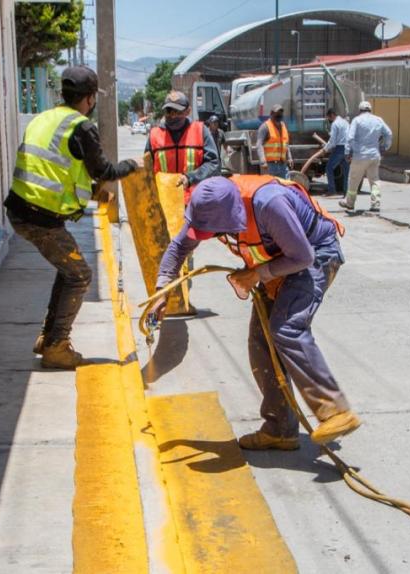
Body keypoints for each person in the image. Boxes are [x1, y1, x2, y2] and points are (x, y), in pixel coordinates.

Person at [152, 176, 361, 450]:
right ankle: (280, 429)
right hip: (280, 259)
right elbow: (180, 246)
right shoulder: (207, 206)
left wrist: (257, 274)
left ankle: (335, 410)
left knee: (287, 328)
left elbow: (303, 257)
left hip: (315, 254)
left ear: (229, 219)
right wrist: (162, 289)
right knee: (261, 342)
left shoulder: (269, 204)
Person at [4, 66, 138, 369]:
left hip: (22, 209)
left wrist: (92, 193)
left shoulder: (45, 118)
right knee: (80, 275)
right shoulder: (80, 126)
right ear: (90, 99)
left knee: (69, 271)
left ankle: (48, 337)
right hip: (40, 217)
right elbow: (105, 171)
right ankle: (56, 347)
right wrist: (133, 166)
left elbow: (54, 172)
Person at [145, 91, 220, 201]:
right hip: (165, 202)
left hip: (195, 202)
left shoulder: (200, 130)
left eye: (177, 111)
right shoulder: (154, 135)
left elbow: (213, 163)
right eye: (169, 111)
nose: (173, 115)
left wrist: (191, 177)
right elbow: (146, 170)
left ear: (188, 111)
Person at [339, 101, 392, 212]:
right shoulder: (378, 120)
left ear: (360, 110)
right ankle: (375, 204)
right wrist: (385, 147)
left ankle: (350, 203)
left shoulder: (357, 120)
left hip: (360, 156)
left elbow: (350, 138)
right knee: (374, 180)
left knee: (353, 180)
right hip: (374, 155)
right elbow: (389, 134)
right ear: (370, 110)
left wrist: (348, 152)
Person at [301, 108, 349, 196]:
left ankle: (332, 190)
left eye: (329, 118)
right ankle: (347, 191)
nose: (329, 121)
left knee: (329, 168)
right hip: (347, 148)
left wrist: (325, 149)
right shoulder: (345, 122)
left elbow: (333, 141)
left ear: (332, 115)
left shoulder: (335, 124)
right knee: (346, 171)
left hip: (339, 148)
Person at [257, 104, 294, 178]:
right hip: (270, 166)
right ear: (271, 113)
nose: (279, 115)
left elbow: (286, 144)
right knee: (270, 187)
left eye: (280, 113)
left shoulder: (283, 126)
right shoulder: (265, 127)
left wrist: (289, 158)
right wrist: (263, 161)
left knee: (284, 187)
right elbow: (259, 144)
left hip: (282, 165)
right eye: (277, 113)